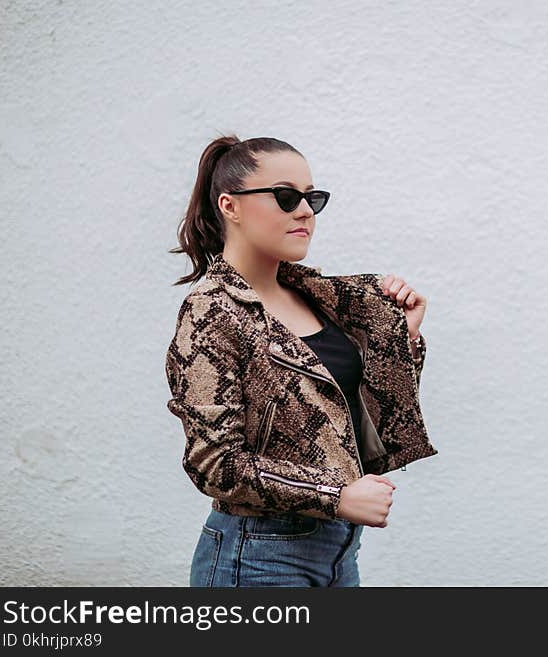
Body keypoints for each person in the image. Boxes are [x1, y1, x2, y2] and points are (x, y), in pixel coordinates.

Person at [164, 134, 438, 586]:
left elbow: (359, 429)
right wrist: (336, 495)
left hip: (338, 553)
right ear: (229, 206)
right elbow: (215, 463)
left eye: (312, 198)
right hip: (257, 558)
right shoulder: (212, 311)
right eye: (286, 196)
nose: (305, 211)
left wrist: (400, 340)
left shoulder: (319, 298)